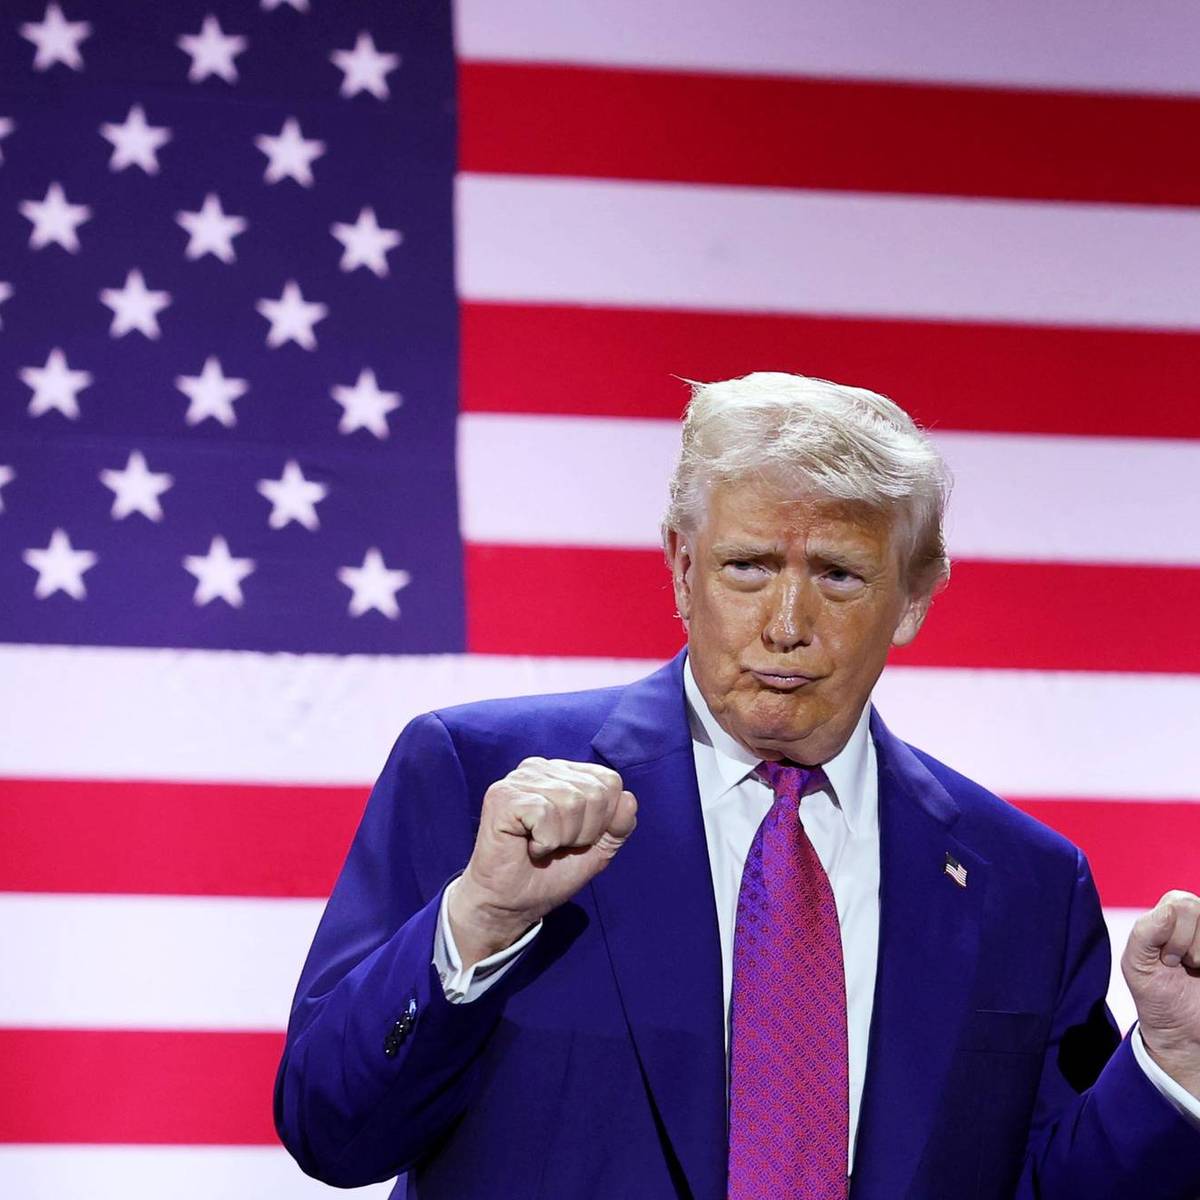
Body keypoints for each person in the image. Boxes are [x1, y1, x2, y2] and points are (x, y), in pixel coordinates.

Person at [275, 373, 1200, 1199]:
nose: (786, 624)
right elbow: (331, 1129)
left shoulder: (1023, 882)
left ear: (915, 596)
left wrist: (1175, 1063)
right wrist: (477, 918)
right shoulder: (481, 777)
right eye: (748, 567)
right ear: (682, 567)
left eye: (838, 575)